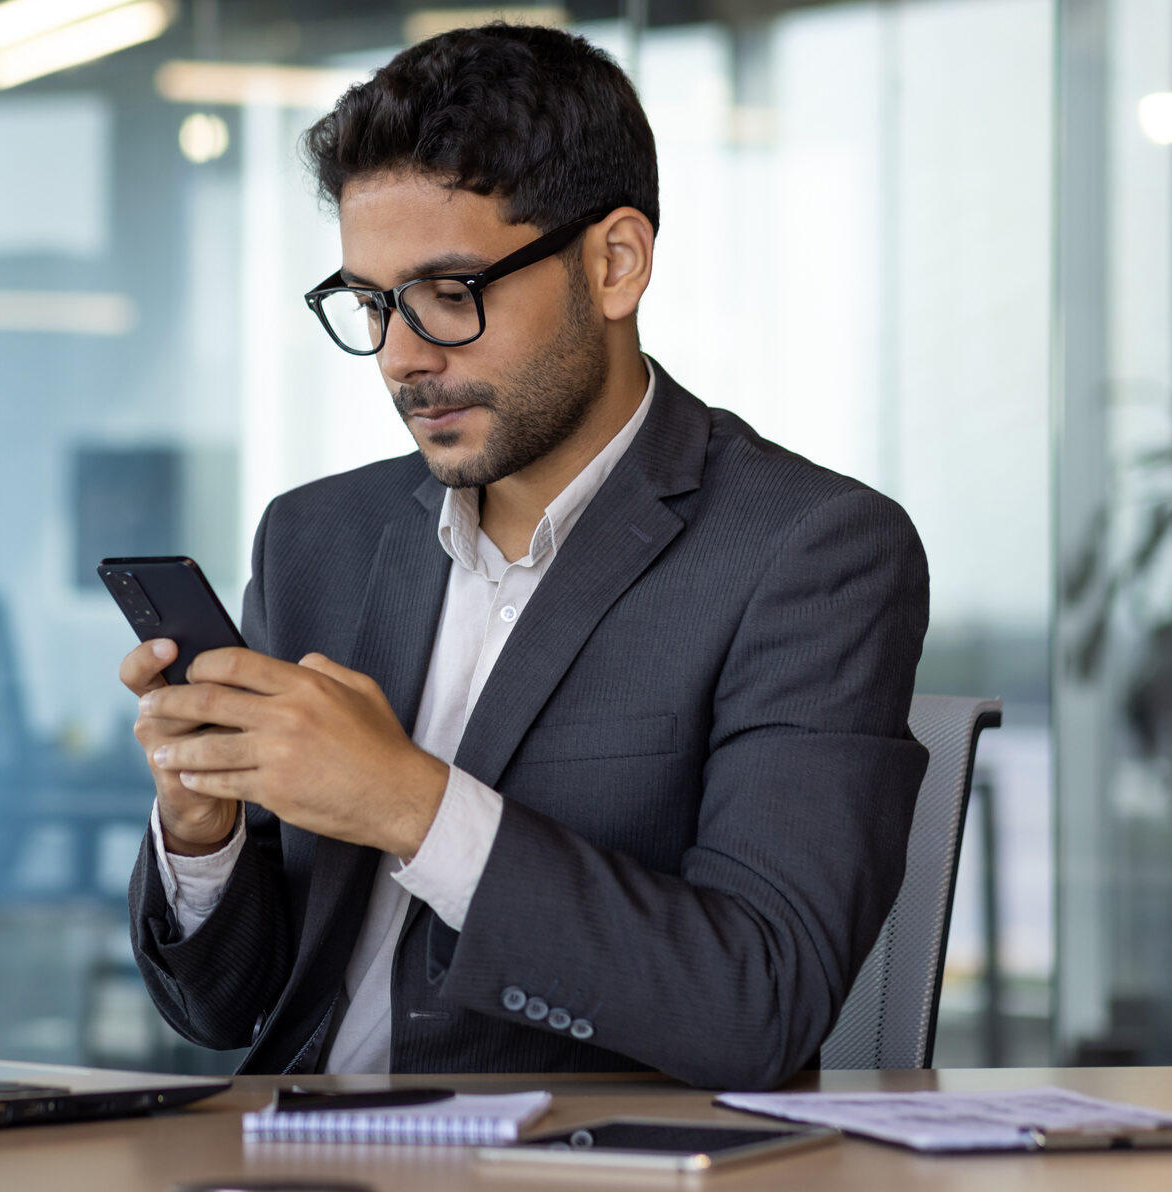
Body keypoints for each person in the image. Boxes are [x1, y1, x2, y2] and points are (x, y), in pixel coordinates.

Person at [118, 23, 930, 1090]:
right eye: (371, 304)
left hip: (566, 1153)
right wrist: (201, 827)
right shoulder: (315, 538)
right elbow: (222, 1008)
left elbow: (761, 1003)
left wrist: (407, 801)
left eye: (451, 293)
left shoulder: (807, 551)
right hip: (278, 1141)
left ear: (614, 263)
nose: (402, 356)